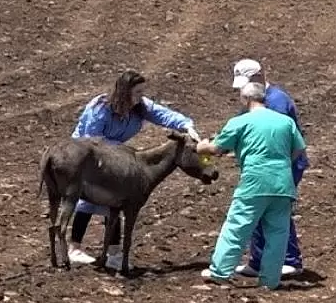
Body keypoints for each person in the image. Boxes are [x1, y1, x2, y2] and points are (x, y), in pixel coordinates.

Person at [67, 69, 201, 267]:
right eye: (137, 92)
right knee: (90, 200)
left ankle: (113, 253)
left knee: (116, 200)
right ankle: (75, 249)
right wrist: (121, 154)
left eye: (142, 92)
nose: (141, 96)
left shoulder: (140, 106)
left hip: (116, 155)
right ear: (124, 91)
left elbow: (163, 114)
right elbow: (91, 139)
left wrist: (187, 126)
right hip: (87, 155)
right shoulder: (100, 108)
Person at [197, 81, 307, 289]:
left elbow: (216, 148)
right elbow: (298, 149)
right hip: (283, 184)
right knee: (277, 232)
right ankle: (270, 280)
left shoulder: (240, 122)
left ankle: (220, 272)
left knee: (237, 226)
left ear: (245, 99)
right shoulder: (285, 122)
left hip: (255, 182)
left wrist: (202, 147)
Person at [228, 58, 310, 278]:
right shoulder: (257, 100)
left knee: (275, 209)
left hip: (284, 164)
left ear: (259, 76)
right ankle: (258, 261)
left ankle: (290, 260)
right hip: (267, 165)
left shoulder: (277, 102)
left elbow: (280, 137)